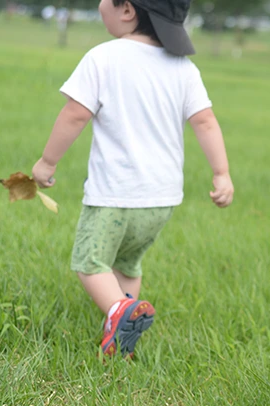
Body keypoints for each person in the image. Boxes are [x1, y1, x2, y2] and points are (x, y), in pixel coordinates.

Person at [31, 0, 234, 357]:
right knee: (127, 264)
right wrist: (221, 173)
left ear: (127, 10)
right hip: (162, 199)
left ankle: (118, 310)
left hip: (115, 195)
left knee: (89, 262)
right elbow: (205, 121)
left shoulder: (103, 57)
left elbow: (76, 113)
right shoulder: (183, 68)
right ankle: (124, 329)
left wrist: (47, 163)